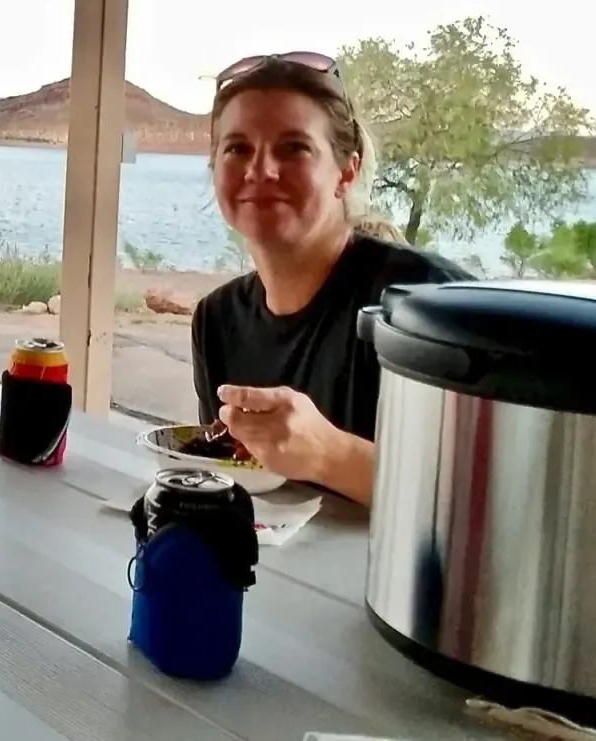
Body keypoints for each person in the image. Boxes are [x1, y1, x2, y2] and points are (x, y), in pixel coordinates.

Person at [192, 52, 472, 506]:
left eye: (293, 148)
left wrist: (330, 455)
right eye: (237, 147)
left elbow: (484, 500)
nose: (260, 170)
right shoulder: (217, 320)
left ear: (346, 171)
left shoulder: (428, 300)